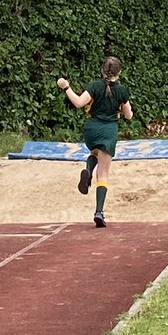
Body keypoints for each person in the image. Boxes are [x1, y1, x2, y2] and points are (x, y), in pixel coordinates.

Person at [57, 57, 133, 226]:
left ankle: (88, 170)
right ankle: (99, 212)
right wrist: (125, 109)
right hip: (109, 130)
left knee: (94, 152)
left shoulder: (94, 86)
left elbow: (77, 103)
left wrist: (66, 87)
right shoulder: (122, 91)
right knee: (104, 174)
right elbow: (128, 115)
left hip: (91, 130)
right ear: (119, 73)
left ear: (102, 71)